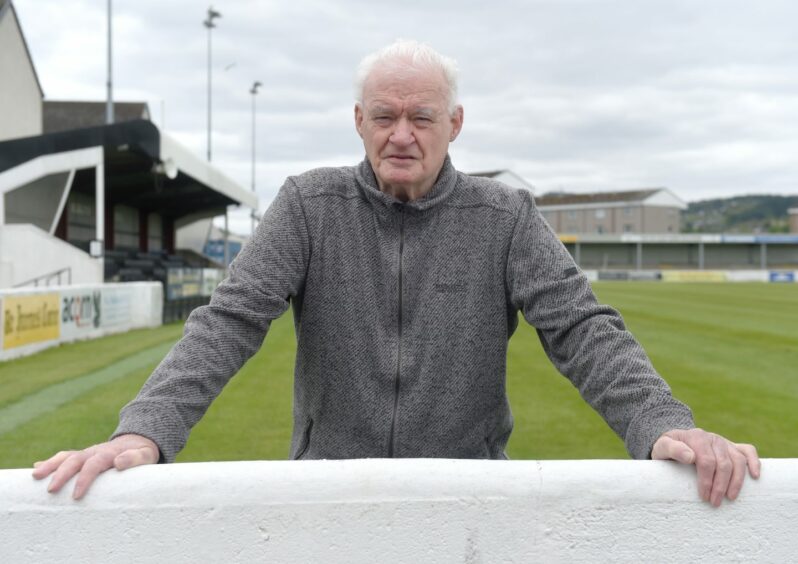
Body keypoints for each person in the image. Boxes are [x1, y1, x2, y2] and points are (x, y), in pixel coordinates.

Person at [33, 39, 760, 504]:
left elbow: (583, 329)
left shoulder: (504, 215)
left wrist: (662, 422)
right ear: (358, 121)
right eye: (385, 116)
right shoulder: (307, 204)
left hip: (468, 497)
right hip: (327, 496)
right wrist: (147, 429)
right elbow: (228, 321)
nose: (402, 134)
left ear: (456, 124)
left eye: (422, 117)